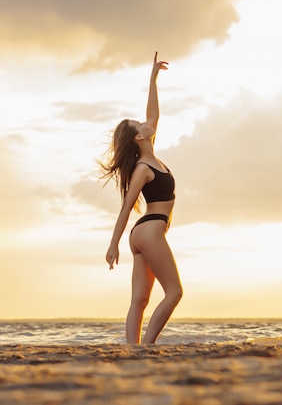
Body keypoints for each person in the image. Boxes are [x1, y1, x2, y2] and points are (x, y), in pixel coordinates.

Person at [99, 52, 182, 344]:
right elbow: (125, 208)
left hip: (143, 233)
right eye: (140, 124)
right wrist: (113, 244)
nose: (147, 124)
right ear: (138, 137)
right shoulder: (143, 170)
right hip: (149, 229)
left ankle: (132, 351)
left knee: (140, 300)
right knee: (174, 292)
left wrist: (153, 79)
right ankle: (146, 348)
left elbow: (154, 115)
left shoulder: (150, 157)